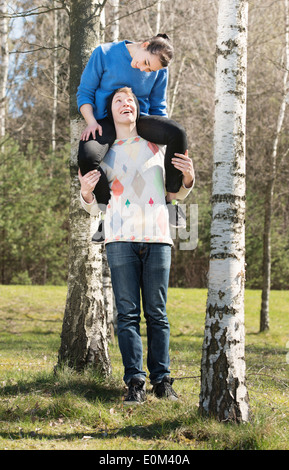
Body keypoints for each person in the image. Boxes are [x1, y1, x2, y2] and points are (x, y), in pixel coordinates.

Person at [79, 87, 195, 405]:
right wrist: (86, 193)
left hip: (157, 236)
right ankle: (135, 383)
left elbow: (175, 194)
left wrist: (188, 179)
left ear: (138, 109)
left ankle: (162, 381)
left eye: (130, 100)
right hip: (118, 237)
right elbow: (95, 206)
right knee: (127, 315)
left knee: (157, 314)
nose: (126, 104)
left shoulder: (158, 145)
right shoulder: (101, 149)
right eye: (119, 100)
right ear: (110, 110)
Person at [77, 33, 188, 242]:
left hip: (140, 119)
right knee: (86, 157)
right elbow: (85, 91)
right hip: (105, 121)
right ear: (144, 45)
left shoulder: (159, 71)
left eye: (150, 69)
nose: (144, 69)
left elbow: (158, 106)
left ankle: (171, 199)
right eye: (145, 62)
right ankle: (106, 211)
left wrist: (162, 139)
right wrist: (91, 122)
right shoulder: (105, 53)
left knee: (177, 133)